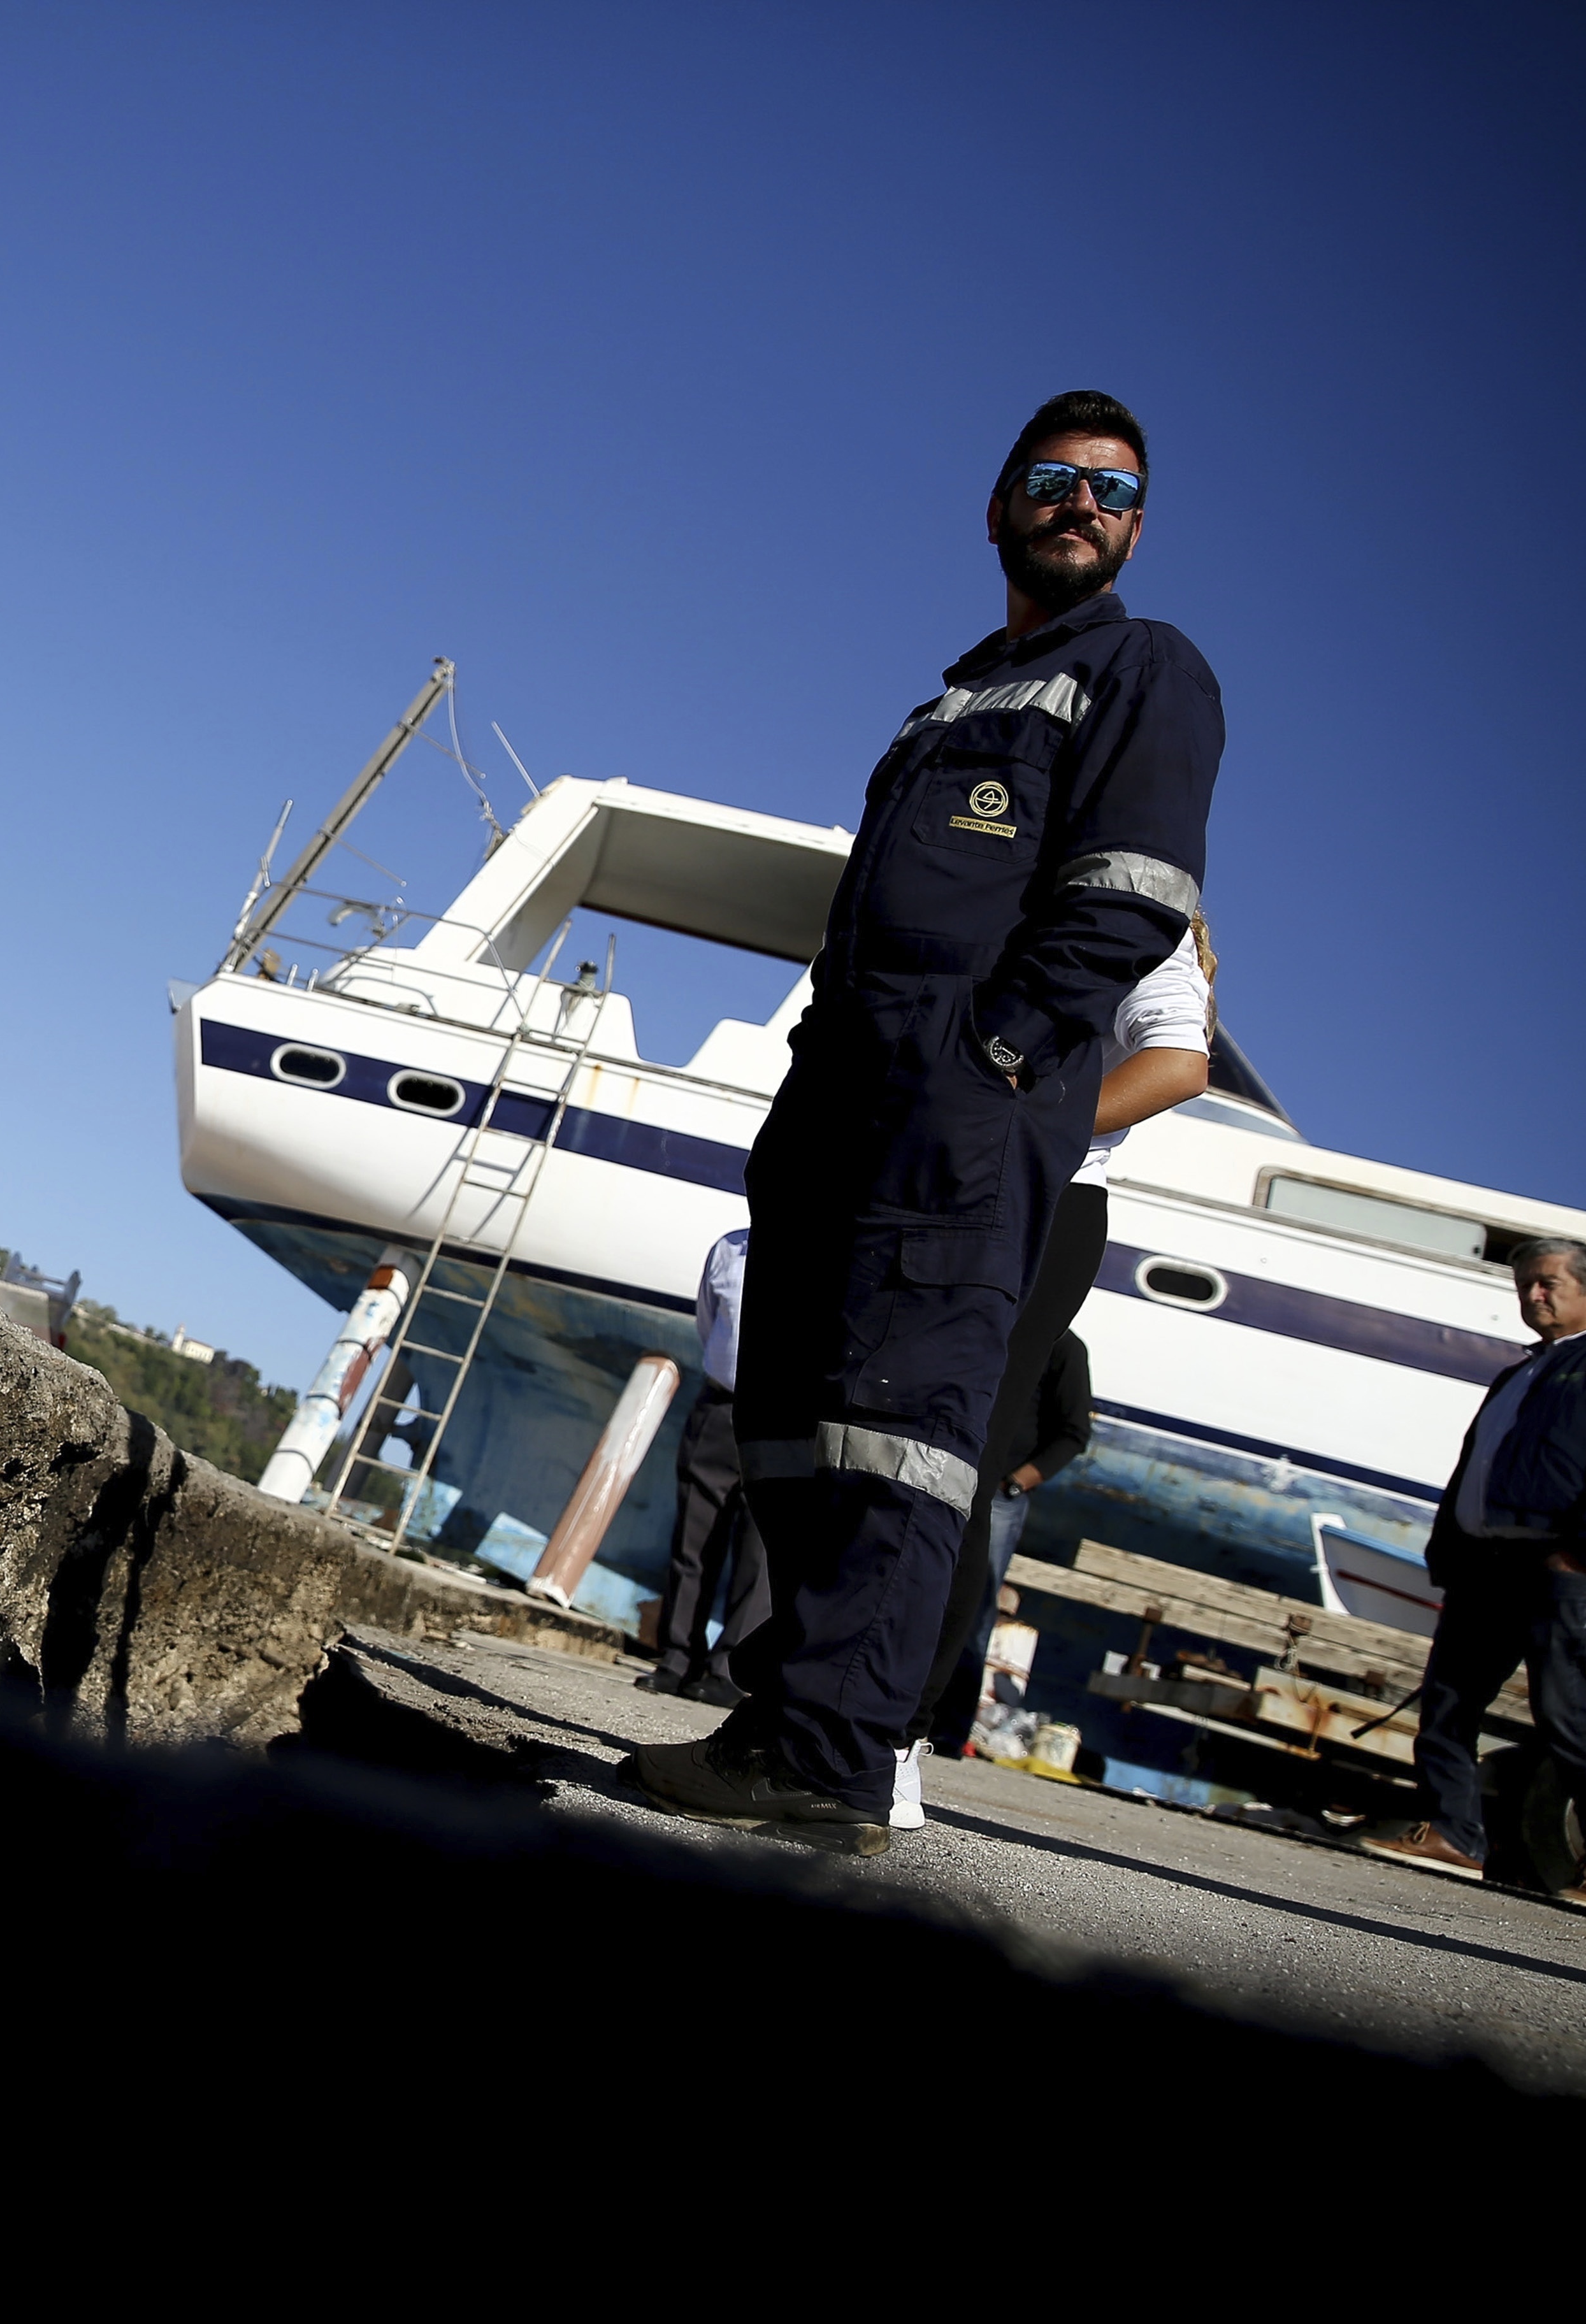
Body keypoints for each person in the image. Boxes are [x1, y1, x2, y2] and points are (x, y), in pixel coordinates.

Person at [630, 390, 1220, 1853]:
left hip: (961, 1116)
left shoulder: (1140, 670)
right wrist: (815, 1079)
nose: (1079, 502)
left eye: (1110, 489)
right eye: (1051, 478)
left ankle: (835, 1760)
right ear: (998, 507)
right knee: (787, 1420)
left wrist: (1001, 1058)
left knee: (896, 1433)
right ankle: (778, 1719)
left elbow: (1130, 902)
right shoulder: (947, 699)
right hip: (839, 1100)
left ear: (1132, 527)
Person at [891, 914, 1213, 1826]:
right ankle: (834, 1702)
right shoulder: (1016, 902)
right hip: (949, 1180)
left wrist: (1030, 1128)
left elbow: (1180, 1065)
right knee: (883, 1441)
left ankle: (894, 1741)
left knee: (958, 1461)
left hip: (1042, 1195)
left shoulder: (1147, 922)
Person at [1357, 1243, 1586, 1911]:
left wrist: (1584, 1553)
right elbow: (1475, 1467)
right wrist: (1448, 1552)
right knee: (1449, 1703)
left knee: (1562, 1710)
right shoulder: (1518, 1377)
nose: (1533, 1293)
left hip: (1562, 1570)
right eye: (1525, 1283)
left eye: (1548, 1283)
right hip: (1488, 1570)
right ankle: (1453, 1835)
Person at [890, 1331, 1090, 1826]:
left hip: (999, 1492)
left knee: (976, 1606)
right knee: (919, 1585)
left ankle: (950, 1728)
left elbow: (1073, 1432)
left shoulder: (1062, 1347)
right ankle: (897, 1708)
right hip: (949, 1470)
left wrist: (1016, 1481)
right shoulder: (997, 1326)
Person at [642, 1228, 770, 1705]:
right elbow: (708, 1322)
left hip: (781, 1418)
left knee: (759, 1556)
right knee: (693, 1542)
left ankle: (730, 1670)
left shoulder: (826, 1251)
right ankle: (677, 1658)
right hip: (719, 1408)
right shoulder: (728, 1250)